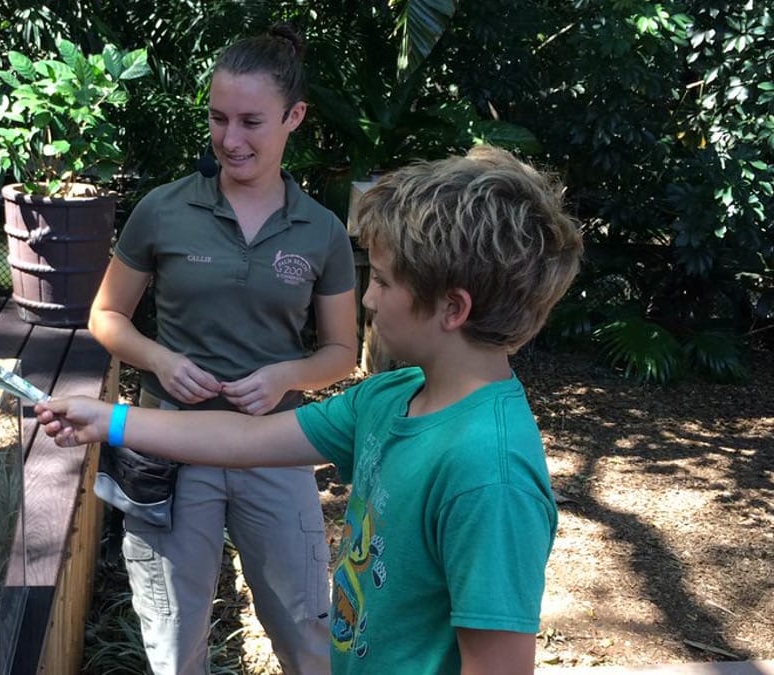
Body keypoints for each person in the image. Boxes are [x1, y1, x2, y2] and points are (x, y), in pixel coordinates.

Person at [42, 145, 585, 674]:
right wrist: (107, 420)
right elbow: (246, 441)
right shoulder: (390, 397)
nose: (368, 300)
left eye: (384, 281)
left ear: (452, 308)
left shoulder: (490, 477)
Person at [87, 23, 358, 675]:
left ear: (294, 117)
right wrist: (158, 359)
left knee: (306, 628)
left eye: (250, 121)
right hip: (172, 445)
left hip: (277, 444)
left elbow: (342, 351)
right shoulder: (164, 210)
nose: (229, 139)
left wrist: (285, 374)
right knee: (174, 634)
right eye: (218, 118)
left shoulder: (321, 230)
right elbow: (105, 316)